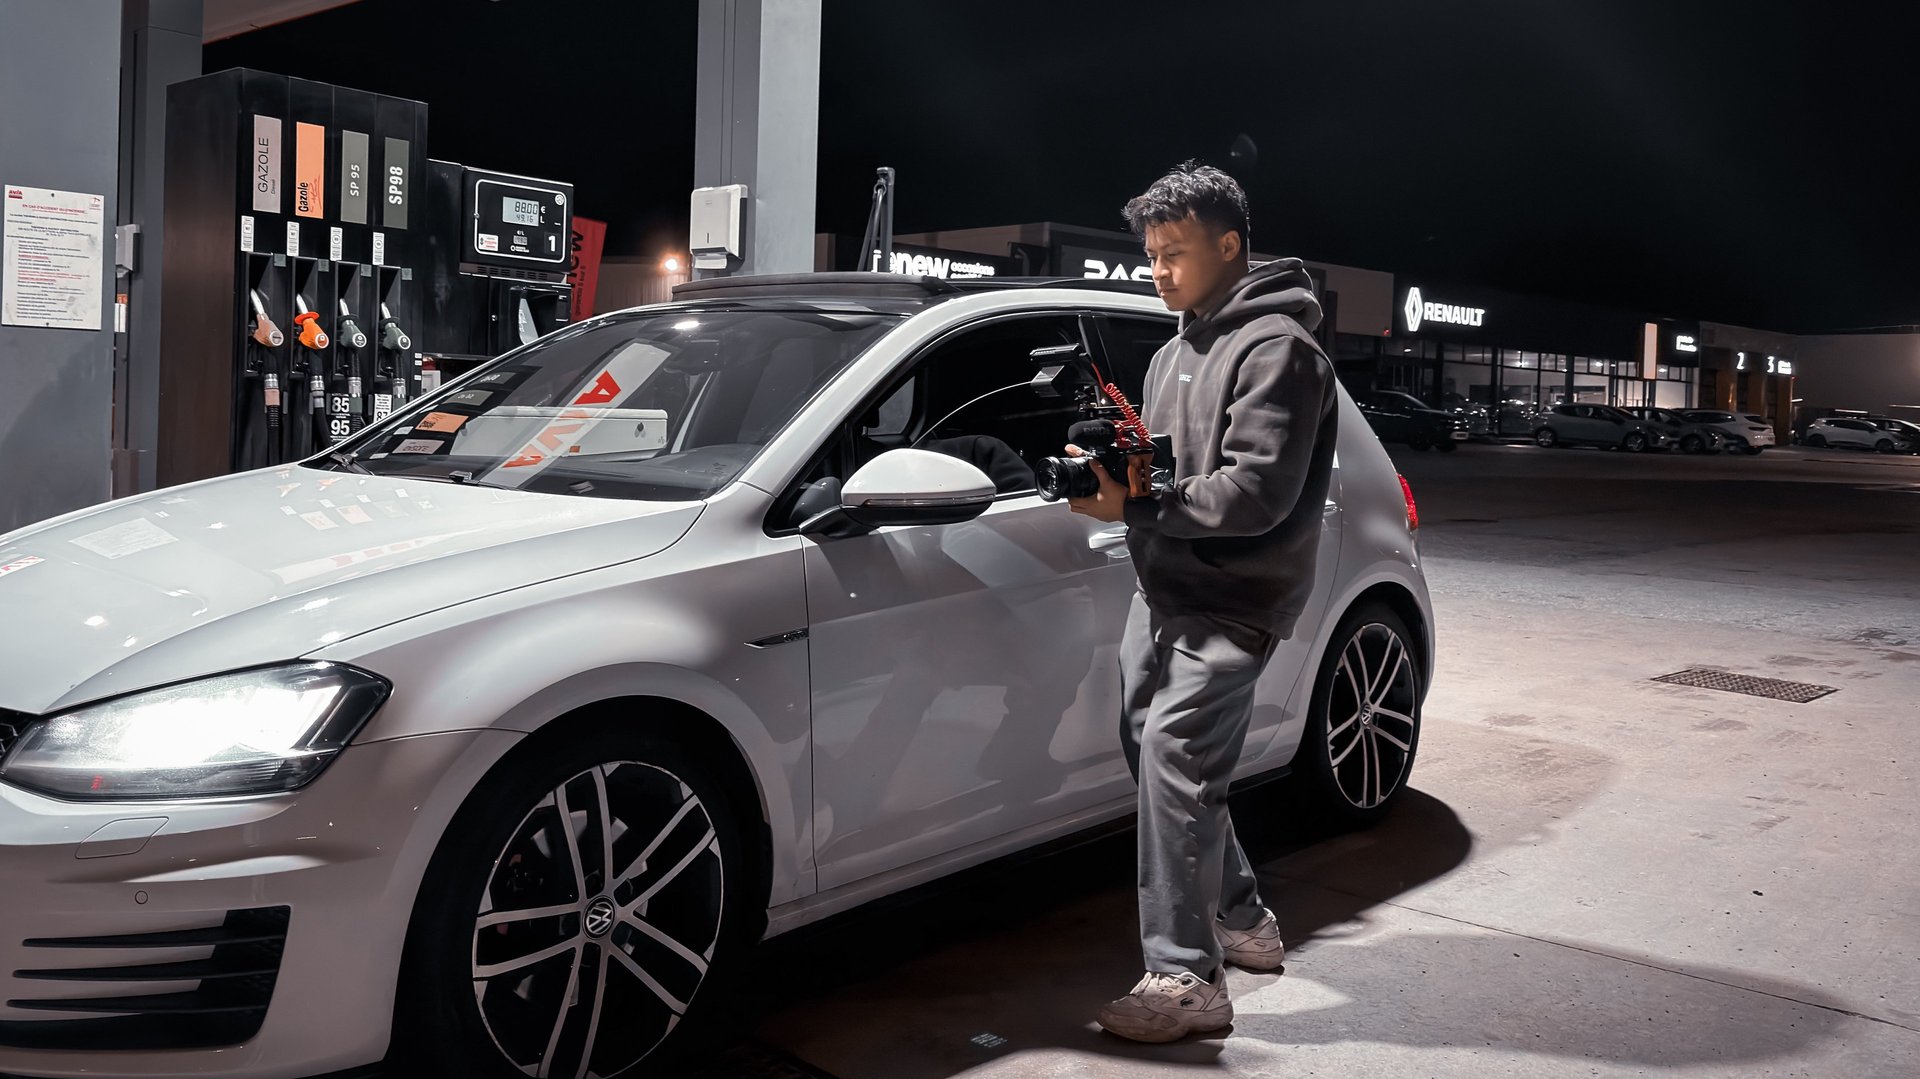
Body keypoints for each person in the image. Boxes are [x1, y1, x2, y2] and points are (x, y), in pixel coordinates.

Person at [1066, 162, 1338, 1043]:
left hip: (1236, 598)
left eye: (1174, 253)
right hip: (1166, 587)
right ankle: (1246, 918)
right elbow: (1173, 475)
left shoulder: (1280, 351)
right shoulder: (1170, 350)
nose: (1158, 270)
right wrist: (1118, 462)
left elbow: (1255, 492)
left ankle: (1186, 978)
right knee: (1151, 747)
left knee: (1176, 757)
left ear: (1229, 244)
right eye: (1150, 254)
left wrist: (1134, 505)